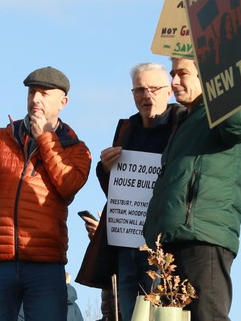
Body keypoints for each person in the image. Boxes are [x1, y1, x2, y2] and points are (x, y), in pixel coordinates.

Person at [0, 66, 92, 321]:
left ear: (63, 102)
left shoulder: (76, 149)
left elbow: (69, 185)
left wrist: (46, 139)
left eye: (44, 93)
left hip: (46, 263)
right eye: (31, 92)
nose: (35, 99)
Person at [77, 62, 185, 321]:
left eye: (154, 89)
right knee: (128, 313)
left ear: (169, 91)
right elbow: (116, 191)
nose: (147, 96)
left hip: (162, 244)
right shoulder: (127, 129)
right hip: (127, 244)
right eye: (140, 90)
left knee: (159, 313)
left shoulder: (181, 125)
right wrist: (106, 168)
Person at [142, 57, 241, 321]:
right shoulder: (187, 122)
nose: (174, 81)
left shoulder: (218, 112)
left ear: (207, 77)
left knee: (207, 316)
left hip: (202, 238)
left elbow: (237, 126)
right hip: (171, 244)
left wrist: (221, 83)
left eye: (183, 74)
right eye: (172, 74)